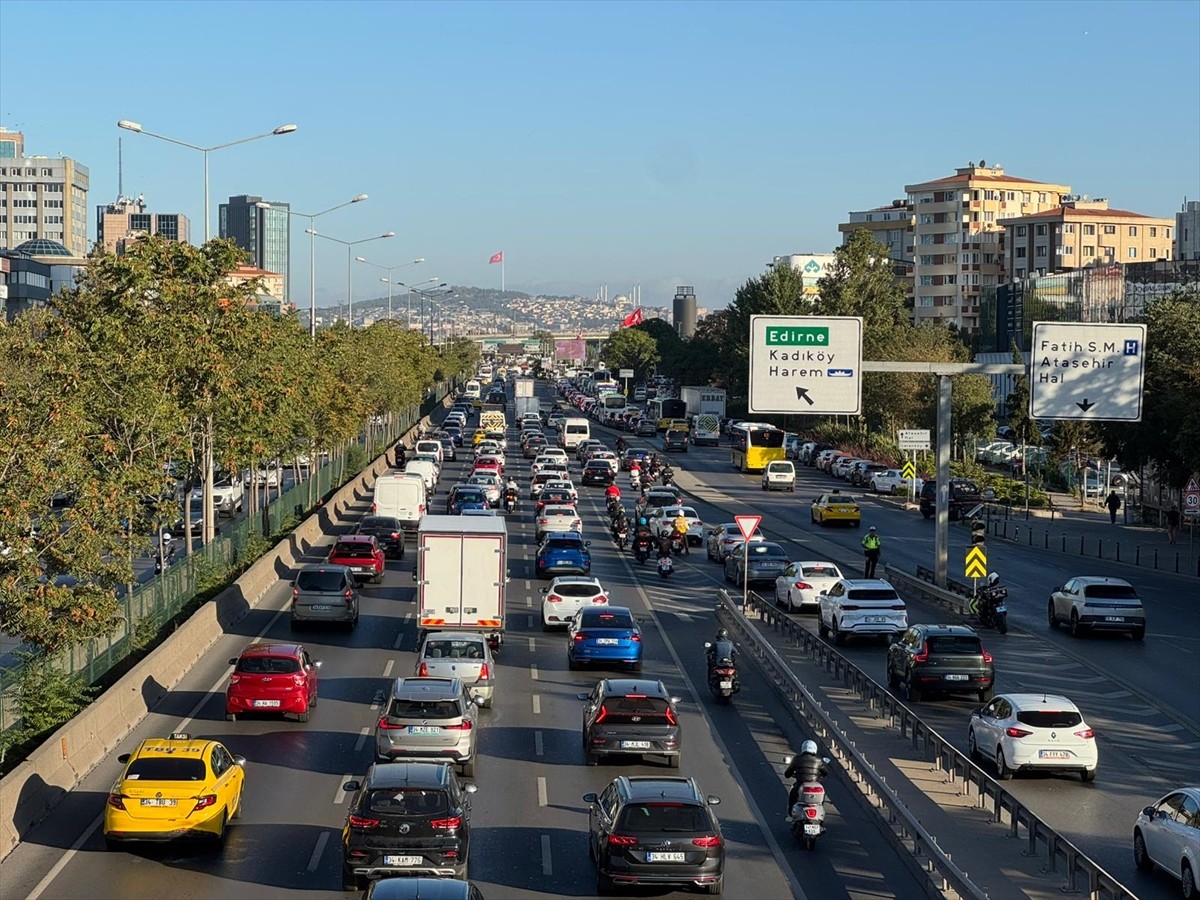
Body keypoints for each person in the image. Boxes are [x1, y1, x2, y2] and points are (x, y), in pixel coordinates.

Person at [785, 740, 827, 818]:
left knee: (793, 796)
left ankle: (790, 814)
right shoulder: (818, 760)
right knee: (821, 798)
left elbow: (787, 774)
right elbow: (825, 773)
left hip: (800, 784)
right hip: (814, 785)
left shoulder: (797, 759)